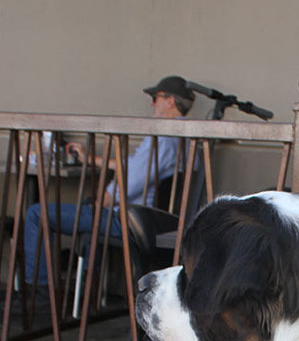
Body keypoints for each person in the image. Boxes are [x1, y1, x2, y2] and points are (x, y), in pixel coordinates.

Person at [24, 75, 195, 285]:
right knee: (90, 207)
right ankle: (88, 284)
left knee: (36, 214)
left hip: (133, 219)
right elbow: (137, 167)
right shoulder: (188, 136)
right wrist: (91, 159)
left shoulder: (164, 137)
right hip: (157, 219)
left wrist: (102, 200)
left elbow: (132, 181)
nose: (152, 102)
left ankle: (40, 292)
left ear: (171, 100)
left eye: (156, 97)